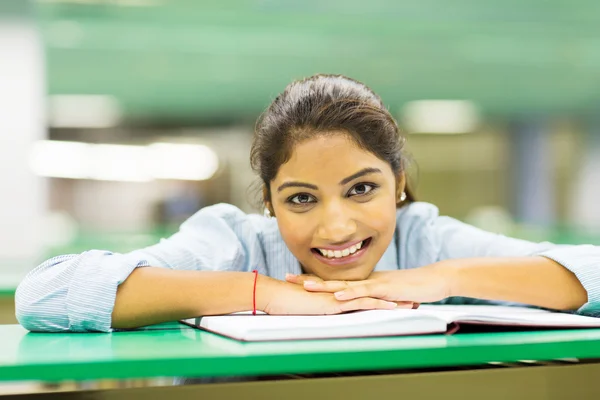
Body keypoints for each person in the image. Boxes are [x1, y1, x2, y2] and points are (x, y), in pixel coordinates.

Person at [15, 74, 600, 333]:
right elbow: (44, 296)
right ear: (268, 201)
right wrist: (262, 294)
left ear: (398, 182)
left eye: (362, 189)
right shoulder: (236, 242)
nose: (336, 224)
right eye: (300, 199)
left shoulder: (424, 240)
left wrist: (436, 279)